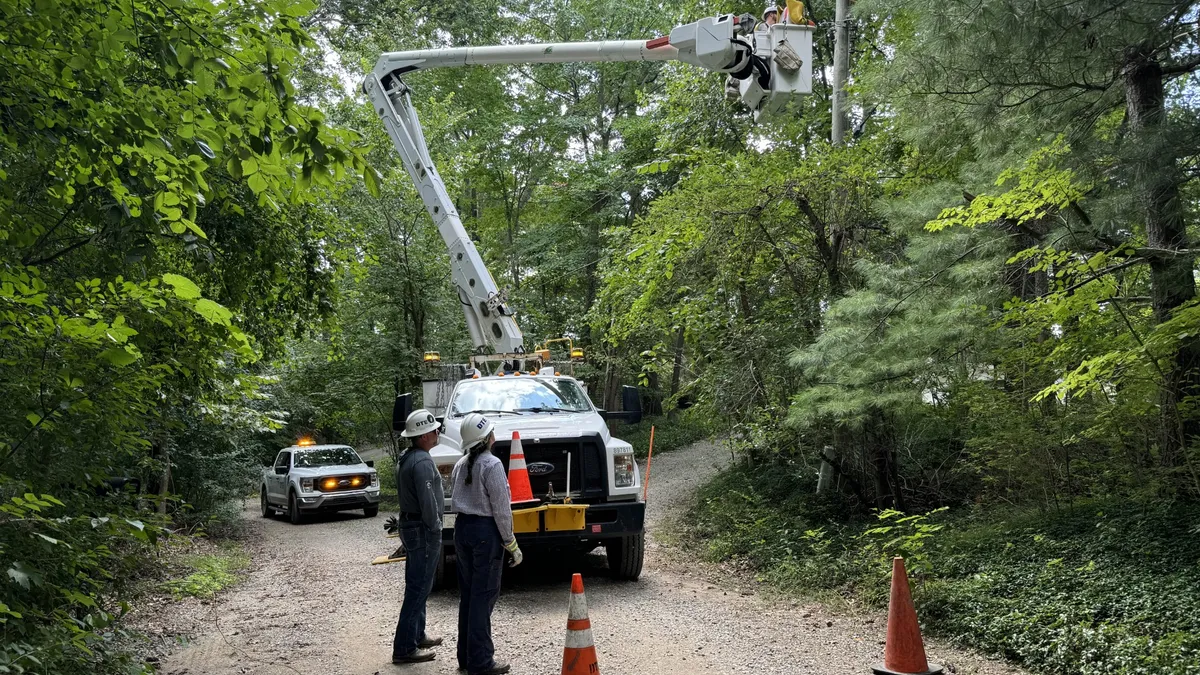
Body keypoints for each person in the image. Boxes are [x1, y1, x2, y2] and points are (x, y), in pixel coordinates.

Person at [451, 413, 523, 675]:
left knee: (469, 596)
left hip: (463, 530)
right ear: (488, 437)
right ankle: (480, 661)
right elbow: (501, 509)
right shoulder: (492, 465)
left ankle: (466, 657)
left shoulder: (461, 464)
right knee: (483, 597)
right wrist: (510, 542)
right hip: (485, 532)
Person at [391, 409, 446, 665]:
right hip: (422, 530)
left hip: (410, 525)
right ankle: (404, 648)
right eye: (434, 430)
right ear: (424, 435)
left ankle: (417, 635)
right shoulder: (422, 462)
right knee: (419, 587)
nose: (437, 433)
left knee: (418, 583)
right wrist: (435, 526)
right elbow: (428, 502)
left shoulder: (408, 457)